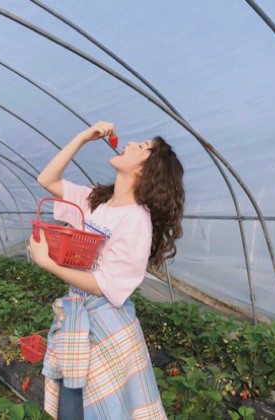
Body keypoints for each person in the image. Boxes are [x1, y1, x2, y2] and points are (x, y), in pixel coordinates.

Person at [27, 121, 185, 419]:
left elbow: (105, 285)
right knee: (72, 406)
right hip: (79, 318)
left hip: (107, 325)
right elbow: (47, 179)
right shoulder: (96, 200)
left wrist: (48, 263)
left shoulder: (136, 221)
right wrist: (83, 136)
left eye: (142, 147)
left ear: (146, 170)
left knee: (102, 410)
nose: (130, 143)